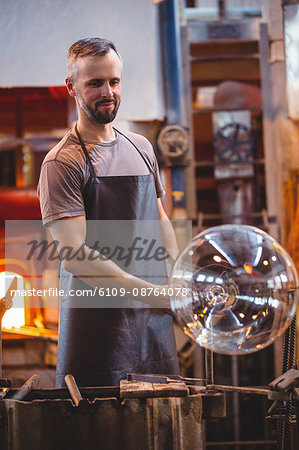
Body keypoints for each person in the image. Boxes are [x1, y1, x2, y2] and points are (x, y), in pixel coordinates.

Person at [38, 37, 180, 387]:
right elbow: (74, 255)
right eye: (95, 83)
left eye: (114, 81)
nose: (108, 92)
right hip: (97, 333)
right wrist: (155, 294)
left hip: (152, 326)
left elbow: (159, 220)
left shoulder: (142, 147)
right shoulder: (62, 162)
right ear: (71, 87)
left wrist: (177, 279)